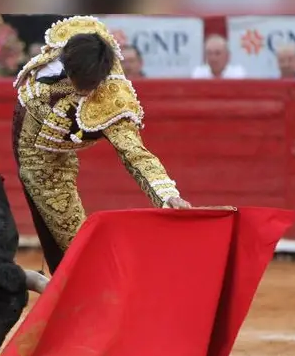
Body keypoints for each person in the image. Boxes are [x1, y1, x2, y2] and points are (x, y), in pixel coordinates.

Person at [13, 16, 192, 275]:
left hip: (48, 161)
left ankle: (71, 290)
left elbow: (135, 154)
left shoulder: (113, 100)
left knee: (73, 242)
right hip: (34, 143)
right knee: (59, 235)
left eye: (89, 86)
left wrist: (167, 195)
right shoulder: (77, 40)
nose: (83, 91)